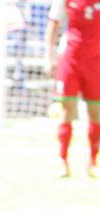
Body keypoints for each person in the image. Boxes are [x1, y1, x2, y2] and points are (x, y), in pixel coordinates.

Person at [46, 0, 100, 178]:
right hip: (71, 59)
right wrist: (49, 56)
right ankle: (62, 160)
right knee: (66, 110)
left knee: (96, 112)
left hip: (96, 62)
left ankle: (94, 161)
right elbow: (53, 23)